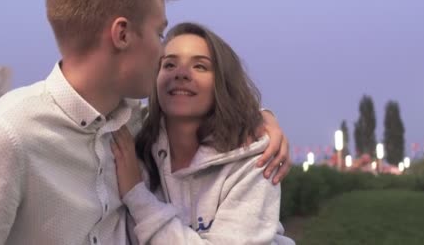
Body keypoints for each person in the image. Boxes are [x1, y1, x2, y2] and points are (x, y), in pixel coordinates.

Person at [0, 0, 291, 245]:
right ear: (122, 35)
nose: (165, 54)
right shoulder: (7, 137)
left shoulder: (130, 124)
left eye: (199, 65)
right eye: (159, 33)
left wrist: (262, 120)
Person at [111, 22, 295, 244]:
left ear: (222, 83)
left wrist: (137, 196)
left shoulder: (256, 158)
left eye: (200, 66)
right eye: (169, 65)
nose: (181, 74)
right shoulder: (133, 143)